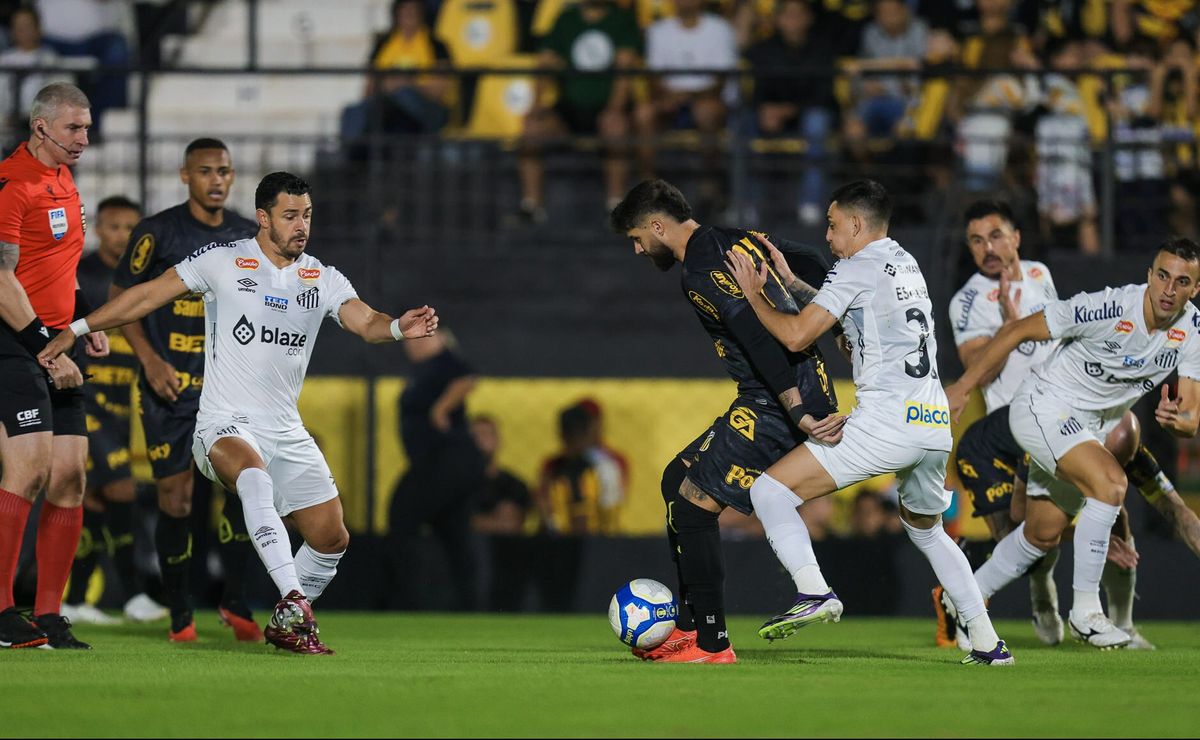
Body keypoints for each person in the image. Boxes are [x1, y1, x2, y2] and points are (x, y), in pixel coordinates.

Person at [40, 171, 440, 654]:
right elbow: (146, 295)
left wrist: (398, 326)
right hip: (222, 425)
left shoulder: (321, 276)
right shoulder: (223, 261)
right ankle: (293, 599)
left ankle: (287, 621)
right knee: (254, 479)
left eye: (307, 215)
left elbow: (367, 321)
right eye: (291, 216)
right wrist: (78, 328)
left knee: (332, 539)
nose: (301, 226)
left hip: (284, 428)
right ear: (264, 218)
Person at [725, 179, 1013, 666]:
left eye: (835, 227)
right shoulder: (904, 262)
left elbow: (797, 337)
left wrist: (755, 295)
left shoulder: (855, 266)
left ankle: (814, 591)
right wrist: (791, 282)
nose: (831, 239)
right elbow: (851, 329)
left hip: (887, 422)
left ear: (857, 224)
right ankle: (988, 643)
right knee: (927, 531)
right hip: (933, 422)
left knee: (769, 492)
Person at [611, 178, 843, 663]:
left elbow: (758, 339)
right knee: (678, 479)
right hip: (780, 390)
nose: (637, 249)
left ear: (658, 225)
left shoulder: (699, 271)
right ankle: (692, 627)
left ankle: (712, 644)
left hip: (775, 399)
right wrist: (834, 316)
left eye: (637, 238)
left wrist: (796, 409)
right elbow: (811, 261)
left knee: (695, 507)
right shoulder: (737, 237)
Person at [943, 199, 1178, 650]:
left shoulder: (1039, 276)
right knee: (1075, 510)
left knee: (1045, 529)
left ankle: (978, 599)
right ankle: (1061, 604)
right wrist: (1009, 327)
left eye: (995, 236)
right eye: (976, 240)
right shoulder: (968, 299)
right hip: (1017, 423)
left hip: (1067, 414)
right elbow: (978, 367)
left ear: (1016, 238)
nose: (987, 248)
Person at [109, 138, 260, 643]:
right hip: (168, 387)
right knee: (175, 500)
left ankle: (236, 600)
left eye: (224, 171)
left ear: (233, 176)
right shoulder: (158, 232)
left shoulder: (247, 236)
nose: (216, 180)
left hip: (228, 391)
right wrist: (149, 360)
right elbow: (121, 299)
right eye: (205, 171)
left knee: (245, 490)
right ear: (184, 176)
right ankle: (180, 612)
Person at [0, 83, 98, 650]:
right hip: (15, 344)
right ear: (41, 128)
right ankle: (1, 611)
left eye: (86, 127)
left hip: (56, 343)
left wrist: (82, 323)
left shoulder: (63, 177)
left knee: (70, 478)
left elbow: (59, 265)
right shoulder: (13, 184)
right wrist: (46, 345)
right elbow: (2, 278)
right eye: (73, 129)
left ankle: (50, 615)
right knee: (31, 470)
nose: (84, 139)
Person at [61, 194, 170, 626]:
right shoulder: (81, 275)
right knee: (122, 489)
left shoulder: (147, 276)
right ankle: (132, 594)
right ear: (98, 229)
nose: (122, 235)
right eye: (113, 226)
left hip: (122, 399)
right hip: (86, 396)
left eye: (130, 227)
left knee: (96, 499)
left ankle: (77, 598)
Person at [517, 0, 641, 222]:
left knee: (615, 126)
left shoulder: (622, 19)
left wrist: (614, 109)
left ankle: (616, 206)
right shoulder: (566, 19)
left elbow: (625, 70)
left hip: (606, 107)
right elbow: (544, 63)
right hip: (570, 109)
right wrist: (535, 105)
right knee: (532, 127)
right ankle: (531, 207)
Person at [388, 329, 484, 611]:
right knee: (452, 530)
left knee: (402, 515)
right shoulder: (423, 371)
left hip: (447, 459)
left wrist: (440, 409)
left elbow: (467, 378)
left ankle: (409, 601)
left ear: (439, 339)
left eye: (420, 339)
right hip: (444, 462)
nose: (411, 345)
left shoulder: (443, 360)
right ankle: (468, 605)